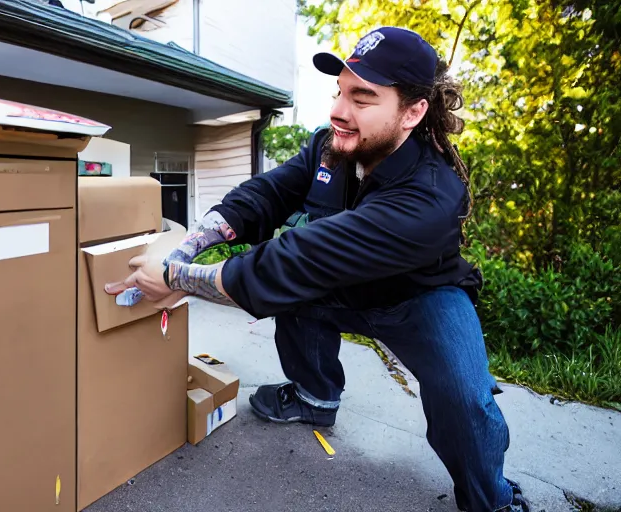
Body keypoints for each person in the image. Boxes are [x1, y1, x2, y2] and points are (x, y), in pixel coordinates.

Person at [105, 26, 529, 512]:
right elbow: (264, 196)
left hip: (418, 300)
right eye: (340, 91)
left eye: (362, 98)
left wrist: (174, 279)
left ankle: (492, 500)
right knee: (296, 290)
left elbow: (298, 260)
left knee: (464, 399)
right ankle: (315, 397)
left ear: (414, 112)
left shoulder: (431, 196)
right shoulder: (331, 146)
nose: (339, 111)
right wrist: (187, 248)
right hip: (338, 285)